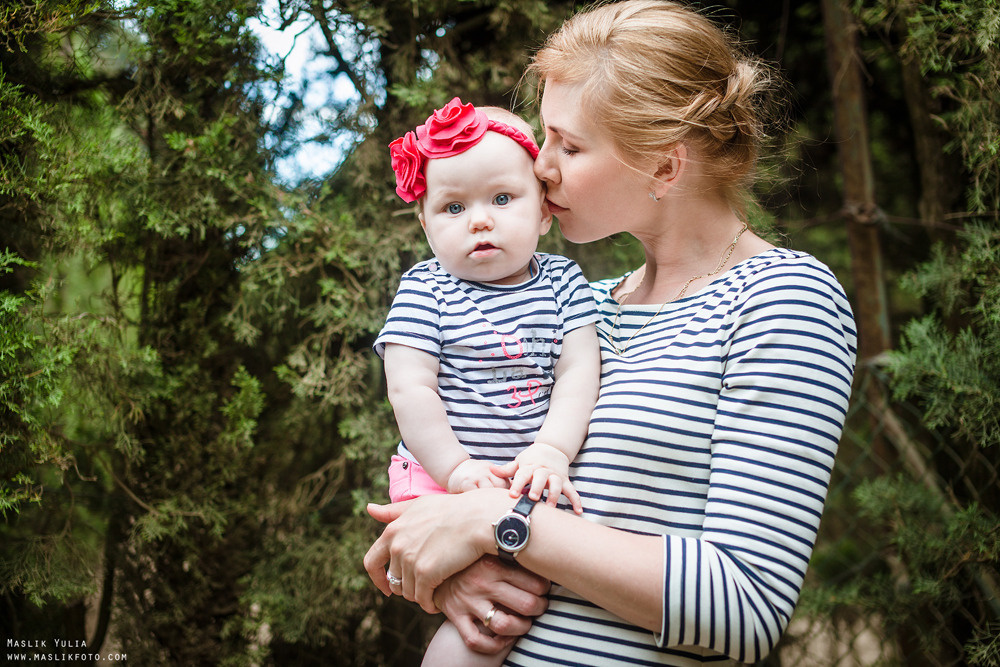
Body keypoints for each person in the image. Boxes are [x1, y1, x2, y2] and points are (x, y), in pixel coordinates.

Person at [364, 1, 859, 664]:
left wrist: (498, 524)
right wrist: (449, 572)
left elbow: (744, 607)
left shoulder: (781, 299)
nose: (541, 167)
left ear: (663, 166)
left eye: (568, 145)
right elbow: (432, 528)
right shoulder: (579, 305)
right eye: (545, 138)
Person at [374, 97, 601, 666]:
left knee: (526, 601)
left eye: (502, 199)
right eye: (453, 207)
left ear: (544, 211)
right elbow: (410, 388)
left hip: (528, 479)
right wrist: (455, 469)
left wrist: (552, 448)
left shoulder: (563, 280)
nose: (480, 219)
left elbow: (579, 368)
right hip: (439, 477)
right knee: (483, 628)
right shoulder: (427, 290)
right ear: (424, 223)